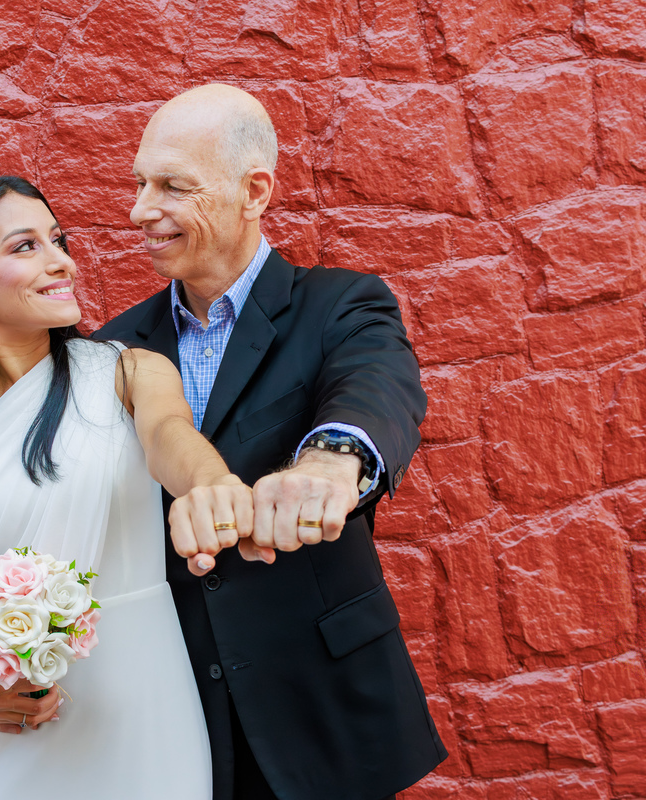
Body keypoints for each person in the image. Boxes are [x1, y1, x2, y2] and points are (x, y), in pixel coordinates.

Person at [95, 84, 447, 799]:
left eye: (173, 186)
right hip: (176, 710)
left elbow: (375, 390)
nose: (139, 210)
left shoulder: (342, 302)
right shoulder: (112, 348)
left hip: (321, 704)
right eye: (139, 183)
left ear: (254, 192)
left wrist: (330, 465)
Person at [0, 176, 255, 798]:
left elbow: (169, 435)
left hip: (144, 719)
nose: (61, 261)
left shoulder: (127, 372)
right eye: (25, 246)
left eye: (57, 240)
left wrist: (210, 482)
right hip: (8, 730)